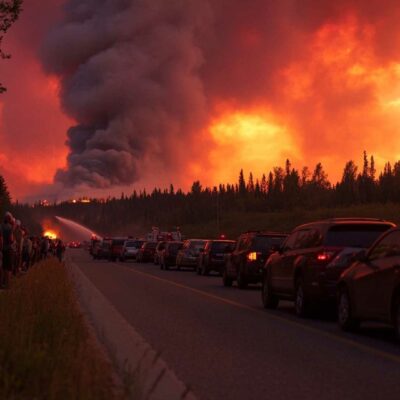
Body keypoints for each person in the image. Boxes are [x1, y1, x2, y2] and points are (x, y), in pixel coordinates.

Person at [1, 212, 15, 288]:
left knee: (3, 267)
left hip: (3, 249)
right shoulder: (10, 228)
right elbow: (11, 239)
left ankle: (1, 284)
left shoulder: (1, 226)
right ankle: (8, 285)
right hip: (9, 249)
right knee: (8, 268)